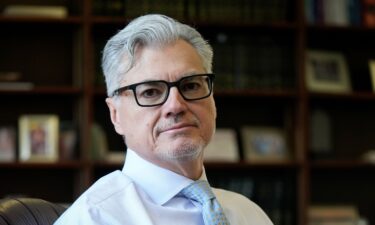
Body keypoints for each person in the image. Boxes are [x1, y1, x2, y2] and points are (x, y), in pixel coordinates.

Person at [54, 14, 273, 225]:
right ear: (116, 115)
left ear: (212, 100)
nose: (176, 105)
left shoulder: (249, 214)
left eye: (190, 86)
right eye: (150, 92)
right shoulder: (95, 218)